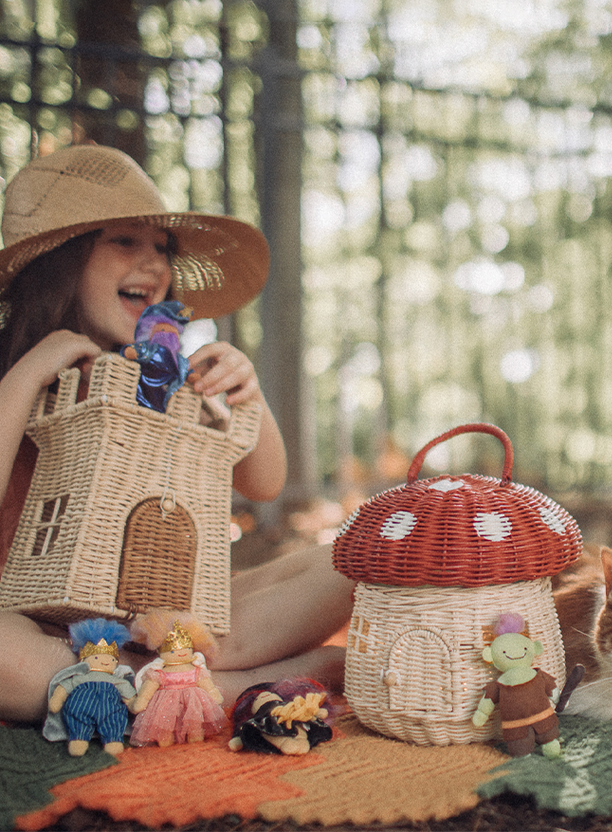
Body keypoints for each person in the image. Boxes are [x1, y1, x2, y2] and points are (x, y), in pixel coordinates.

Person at [0, 143, 353, 724]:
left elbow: (264, 483)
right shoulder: (16, 370)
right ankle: (241, 681)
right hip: (43, 630)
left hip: (163, 618)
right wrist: (39, 364)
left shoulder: (152, 374)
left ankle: (199, 668)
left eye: (162, 247)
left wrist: (249, 394)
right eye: (124, 241)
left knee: (352, 559)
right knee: (4, 659)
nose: (155, 263)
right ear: (61, 259)